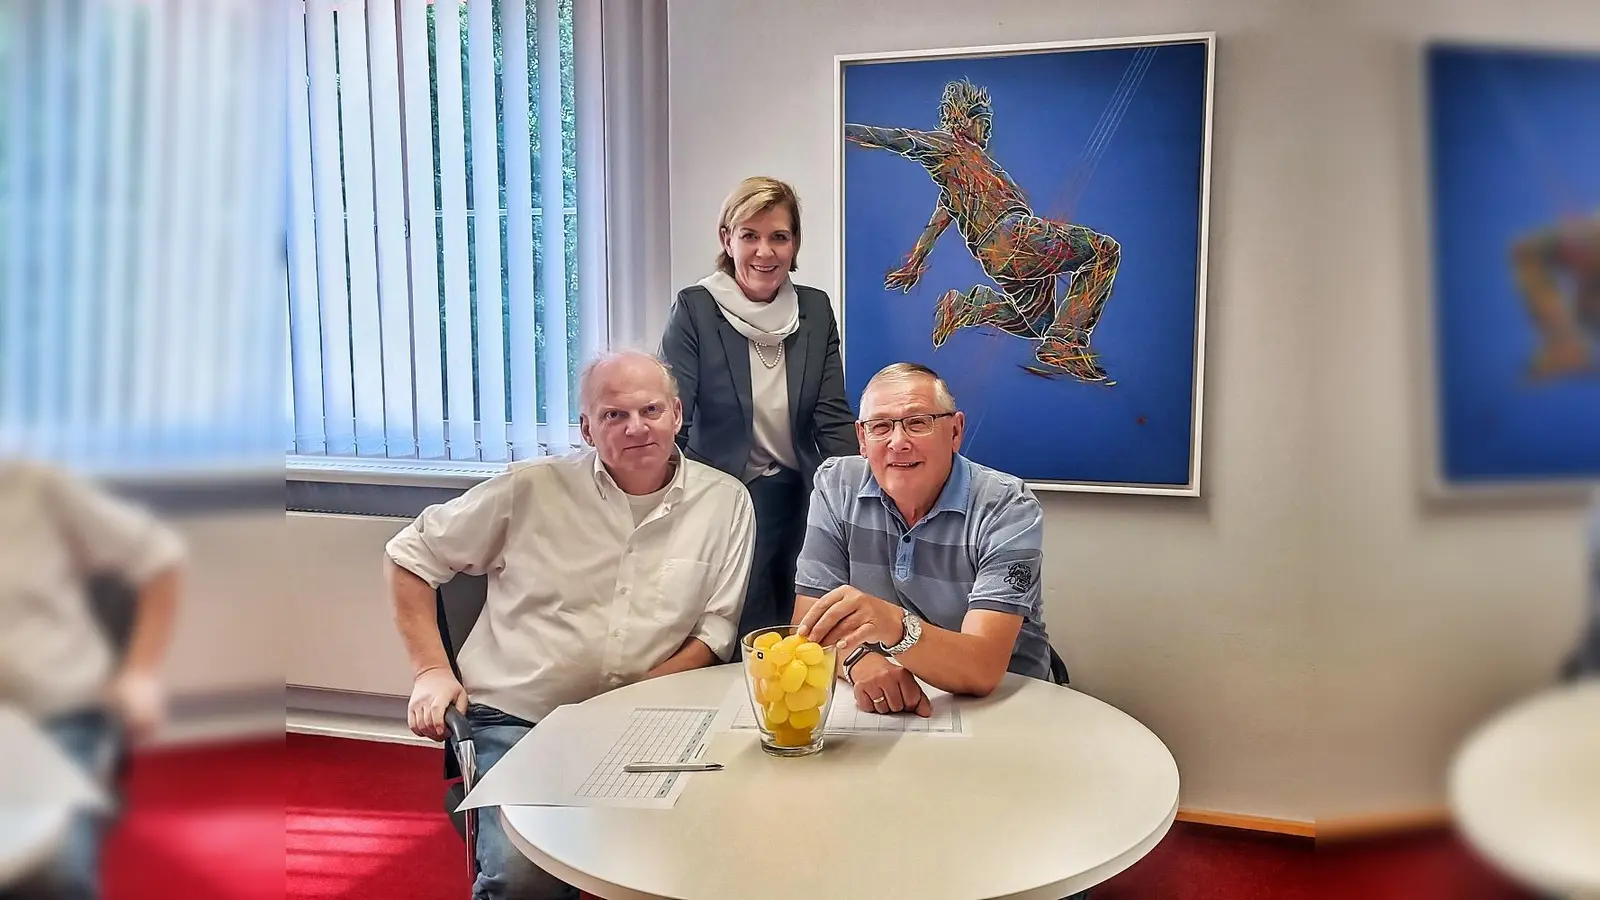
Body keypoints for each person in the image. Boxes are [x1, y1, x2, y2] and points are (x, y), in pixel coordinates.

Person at [384, 349, 755, 900]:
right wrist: (430, 670)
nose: (636, 428)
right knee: (526, 876)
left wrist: (632, 705)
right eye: (614, 415)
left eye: (651, 410)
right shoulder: (529, 488)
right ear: (586, 429)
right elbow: (409, 556)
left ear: (677, 414)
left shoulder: (725, 503)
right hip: (520, 720)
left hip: (650, 722)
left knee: (724, 848)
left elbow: (714, 632)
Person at [792, 362, 1056, 719]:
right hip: (891, 708)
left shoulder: (1007, 507)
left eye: (918, 423)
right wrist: (861, 663)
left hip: (1004, 704)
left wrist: (893, 624)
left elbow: (982, 667)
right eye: (880, 426)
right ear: (862, 439)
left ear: (955, 431)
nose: (898, 442)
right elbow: (809, 626)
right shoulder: (836, 486)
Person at [660, 175, 857, 639]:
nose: (764, 252)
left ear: (795, 244)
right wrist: (665, 501)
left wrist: (860, 497)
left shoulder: (814, 310)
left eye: (779, 237)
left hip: (798, 489)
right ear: (727, 240)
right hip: (722, 490)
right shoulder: (696, 308)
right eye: (749, 235)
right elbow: (674, 419)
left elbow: (832, 418)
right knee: (745, 623)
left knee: (807, 616)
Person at [0, 459, 184, 900]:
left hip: (54, 711)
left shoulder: (33, 487)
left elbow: (162, 556)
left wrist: (140, 674)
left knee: (55, 874)